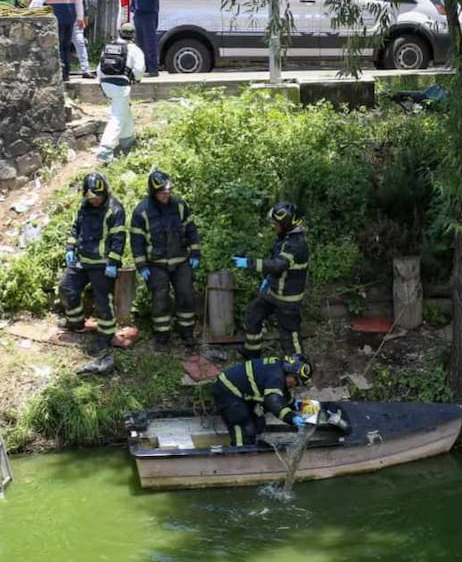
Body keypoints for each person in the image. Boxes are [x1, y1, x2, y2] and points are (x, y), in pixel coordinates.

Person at [131, 170, 201, 350]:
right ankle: (162, 336)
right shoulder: (142, 211)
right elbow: (136, 241)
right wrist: (141, 265)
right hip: (156, 264)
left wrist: (195, 253)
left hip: (181, 260)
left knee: (186, 295)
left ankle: (187, 333)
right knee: (160, 299)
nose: (167, 194)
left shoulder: (179, 205)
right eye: (163, 192)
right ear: (154, 193)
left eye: (169, 191)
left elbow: (191, 230)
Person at [60, 173, 127, 354]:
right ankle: (76, 323)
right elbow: (75, 228)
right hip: (82, 261)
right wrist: (69, 248)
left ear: (104, 193)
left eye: (97, 197)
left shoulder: (115, 209)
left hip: (102, 264)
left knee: (103, 301)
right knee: (67, 289)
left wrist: (113, 262)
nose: (94, 201)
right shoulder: (84, 207)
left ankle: (105, 335)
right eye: (91, 197)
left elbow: (118, 239)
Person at [232, 201, 310, 359]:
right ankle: (252, 351)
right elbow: (278, 264)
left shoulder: (296, 244)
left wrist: (249, 263)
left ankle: (298, 366)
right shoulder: (285, 238)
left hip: (288, 299)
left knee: (289, 334)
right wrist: (267, 279)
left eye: (275, 224)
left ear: (286, 224)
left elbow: (279, 265)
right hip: (273, 292)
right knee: (253, 314)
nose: (273, 226)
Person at [212, 355, 313, 446]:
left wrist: (294, 404)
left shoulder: (278, 370)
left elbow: (281, 392)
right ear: (291, 373)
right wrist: (291, 417)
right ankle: (240, 455)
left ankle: (252, 448)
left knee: (258, 422)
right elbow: (273, 401)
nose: (295, 385)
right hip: (227, 391)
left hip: (241, 393)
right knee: (242, 423)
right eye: (297, 381)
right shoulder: (276, 376)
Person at [30, 0, 85, 82]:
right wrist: (80, 17)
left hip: (55, 17)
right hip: (70, 17)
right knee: (66, 45)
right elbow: (79, 0)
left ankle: (58, 74)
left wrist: (31, 11)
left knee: (57, 45)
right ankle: (66, 74)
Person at [95, 22, 145, 162]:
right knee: (117, 117)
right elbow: (139, 70)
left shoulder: (109, 47)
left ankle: (127, 142)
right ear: (133, 35)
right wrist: (135, 79)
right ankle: (105, 151)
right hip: (120, 86)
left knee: (124, 111)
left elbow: (100, 68)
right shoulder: (134, 49)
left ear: (119, 32)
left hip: (105, 83)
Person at [65, 0, 94, 79]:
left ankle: (85, 69)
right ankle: (64, 70)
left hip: (76, 17)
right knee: (63, 45)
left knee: (80, 43)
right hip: (62, 18)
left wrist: (84, 15)